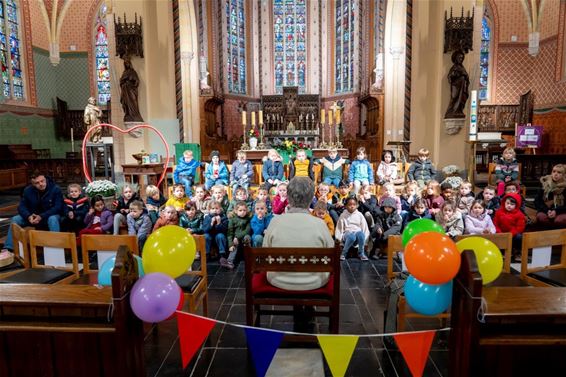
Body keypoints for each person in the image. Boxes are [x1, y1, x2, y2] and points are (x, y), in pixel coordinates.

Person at [263, 177, 335, 291]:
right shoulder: (320, 224)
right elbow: (332, 255)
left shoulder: (275, 222)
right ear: (311, 198)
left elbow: (265, 253)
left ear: (289, 197)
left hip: (278, 280)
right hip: (314, 281)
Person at [2, 171, 65, 254]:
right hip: (33, 217)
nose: (41, 184)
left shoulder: (55, 189)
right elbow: (21, 206)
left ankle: (56, 248)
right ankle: (9, 248)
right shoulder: (28, 190)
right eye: (37, 183)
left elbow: (57, 207)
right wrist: (28, 216)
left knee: (53, 219)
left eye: (42, 181)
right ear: (33, 184)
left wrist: (41, 216)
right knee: (15, 219)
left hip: (49, 216)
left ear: (45, 179)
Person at [335, 197, 370, 261]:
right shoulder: (343, 215)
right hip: (347, 233)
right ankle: (343, 253)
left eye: (354, 205)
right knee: (351, 237)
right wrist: (339, 240)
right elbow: (339, 228)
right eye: (350, 205)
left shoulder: (359, 215)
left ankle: (361, 253)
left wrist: (366, 242)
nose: (352, 206)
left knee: (361, 234)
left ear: (357, 205)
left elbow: (365, 228)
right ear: (346, 206)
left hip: (357, 232)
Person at [534, 164, 566, 229]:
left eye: (559, 172)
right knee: (541, 218)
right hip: (546, 209)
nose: (555, 174)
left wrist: (556, 211)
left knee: (559, 221)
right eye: (554, 171)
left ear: (564, 175)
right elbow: (537, 201)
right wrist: (547, 210)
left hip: (561, 211)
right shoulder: (545, 183)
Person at [225, 201, 252, 269]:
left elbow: (247, 230)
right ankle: (230, 261)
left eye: (244, 210)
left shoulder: (248, 219)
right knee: (234, 244)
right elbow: (229, 233)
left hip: (243, 236)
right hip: (235, 238)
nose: (242, 212)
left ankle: (249, 258)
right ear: (236, 211)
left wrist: (237, 237)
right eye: (240, 210)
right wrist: (230, 244)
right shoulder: (232, 219)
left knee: (247, 237)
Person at [445, 49, 469, 119]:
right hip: (456, 87)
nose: (461, 59)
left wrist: (465, 76)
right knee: (454, 98)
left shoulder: (462, 68)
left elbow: (466, 77)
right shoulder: (454, 67)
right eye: (459, 58)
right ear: (456, 58)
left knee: (462, 99)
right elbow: (450, 76)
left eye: (462, 58)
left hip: (463, 87)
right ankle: (451, 111)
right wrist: (457, 74)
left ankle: (459, 111)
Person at [119, 58, 144, 122]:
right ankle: (128, 114)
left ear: (129, 64)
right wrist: (122, 81)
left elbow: (136, 81)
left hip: (131, 91)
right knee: (126, 104)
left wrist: (130, 82)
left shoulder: (133, 72)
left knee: (133, 102)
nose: (126, 64)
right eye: (125, 64)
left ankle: (134, 115)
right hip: (125, 91)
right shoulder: (124, 73)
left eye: (127, 63)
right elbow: (121, 82)